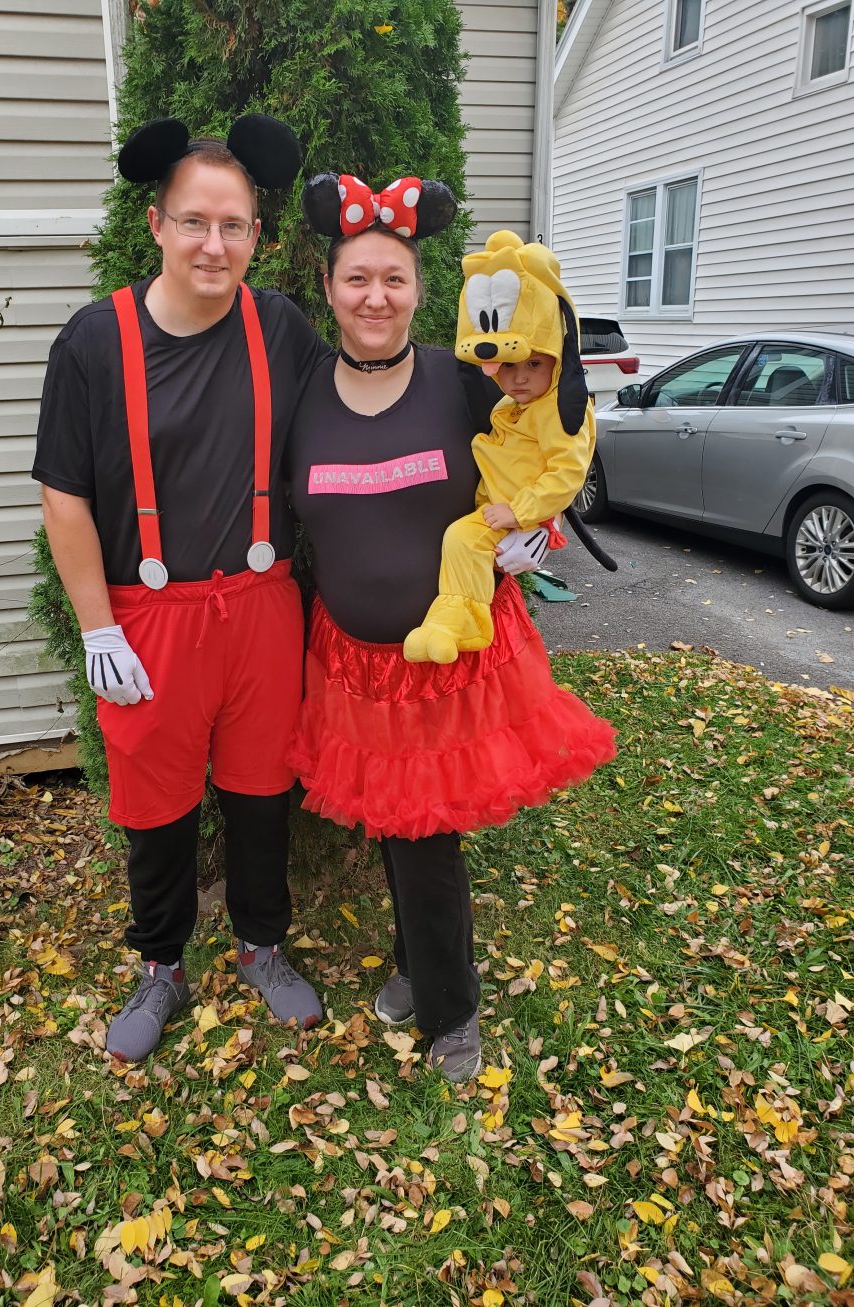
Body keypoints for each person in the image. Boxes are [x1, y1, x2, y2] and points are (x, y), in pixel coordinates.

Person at [286, 171, 617, 1081]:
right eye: (357, 278)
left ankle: (451, 1004)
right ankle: (414, 961)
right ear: (328, 287)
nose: (376, 296)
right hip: (354, 664)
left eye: (394, 278)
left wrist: (543, 529)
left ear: (419, 289)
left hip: (451, 650)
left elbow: (553, 435)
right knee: (397, 826)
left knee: (425, 835)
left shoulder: (462, 380)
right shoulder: (303, 393)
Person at [32, 116, 332, 1061]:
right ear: (156, 224)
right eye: (195, 221)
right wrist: (96, 629)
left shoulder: (279, 328)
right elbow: (63, 496)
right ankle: (161, 963)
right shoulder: (94, 342)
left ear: (257, 236)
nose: (214, 243)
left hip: (262, 609)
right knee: (155, 806)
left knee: (261, 792)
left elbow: (361, 417)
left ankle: (261, 944)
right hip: (147, 621)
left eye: (233, 225)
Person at [404, 232, 596, 663]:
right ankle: (451, 622)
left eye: (534, 363)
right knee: (462, 543)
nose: (520, 377)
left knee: (462, 539)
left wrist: (529, 515)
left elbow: (568, 471)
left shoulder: (557, 409)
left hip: (513, 513)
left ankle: (462, 621)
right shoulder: (510, 403)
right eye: (508, 365)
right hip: (496, 509)